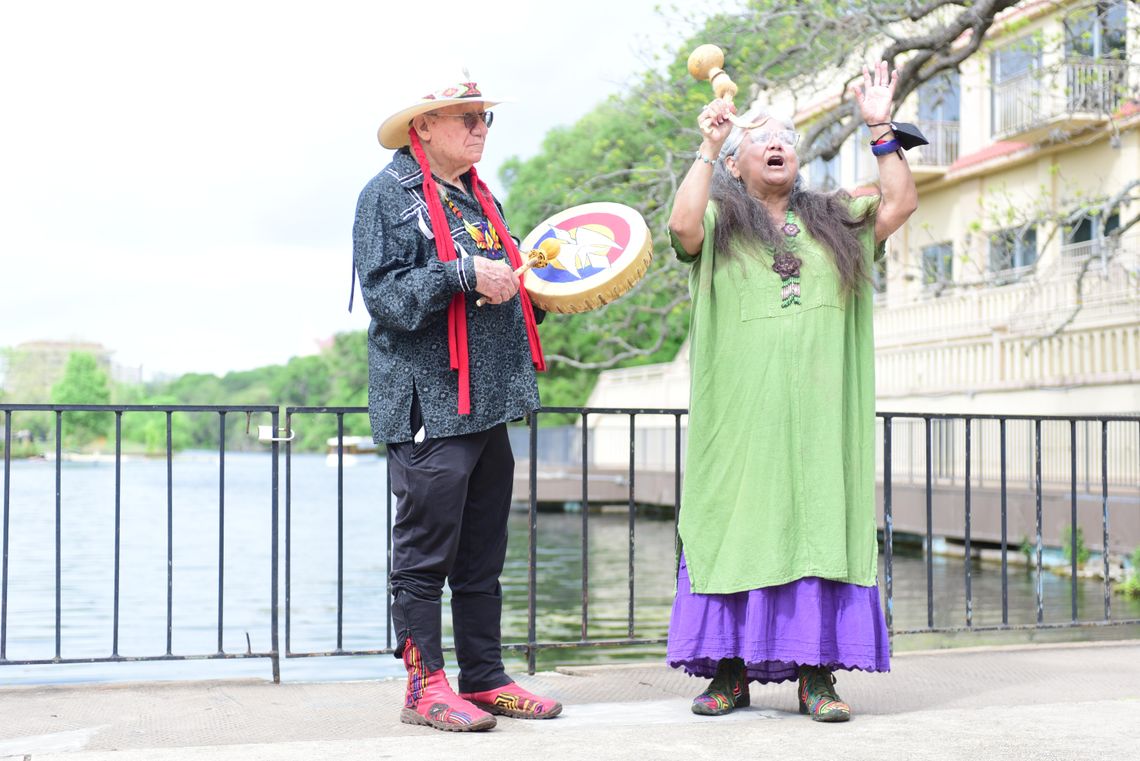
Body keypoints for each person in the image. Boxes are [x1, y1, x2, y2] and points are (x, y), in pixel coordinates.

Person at [664, 61, 918, 722]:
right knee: (733, 529)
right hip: (739, 428)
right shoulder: (721, 219)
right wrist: (708, 146)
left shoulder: (837, 219)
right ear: (739, 163)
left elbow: (900, 204)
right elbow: (681, 226)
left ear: (798, 158)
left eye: (787, 137)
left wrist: (880, 127)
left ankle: (817, 677)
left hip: (818, 428)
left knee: (815, 530)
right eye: (761, 138)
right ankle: (729, 673)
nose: (776, 143)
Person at [352, 76, 562, 732]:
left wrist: (542, 293)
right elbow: (385, 296)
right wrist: (463, 273)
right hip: (428, 405)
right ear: (425, 126)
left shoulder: (477, 196)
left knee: (482, 552)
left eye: (486, 119)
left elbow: (498, 290)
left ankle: (485, 675)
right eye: (467, 118)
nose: (480, 129)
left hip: (487, 401)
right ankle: (424, 685)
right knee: (423, 551)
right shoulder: (387, 194)